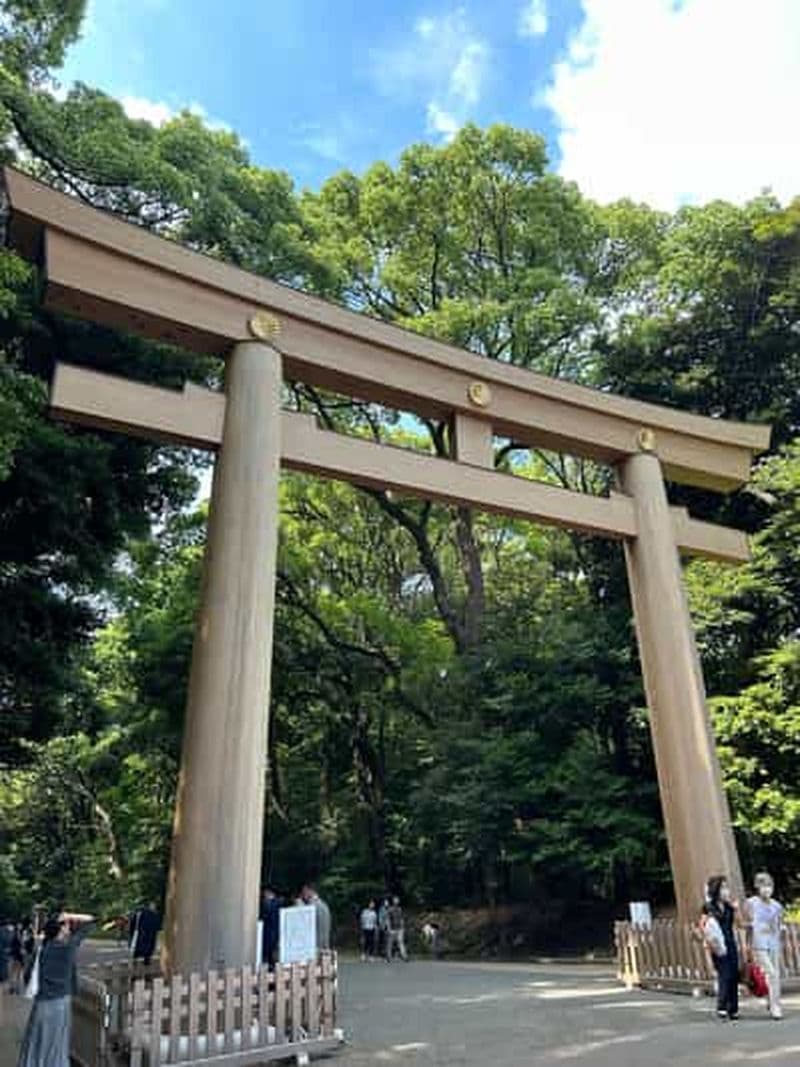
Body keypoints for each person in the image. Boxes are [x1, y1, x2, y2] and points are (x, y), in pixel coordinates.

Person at [16, 911, 95, 1067]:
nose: (69, 927)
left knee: (37, 1043)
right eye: (66, 924)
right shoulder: (68, 948)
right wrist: (70, 915)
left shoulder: (41, 950)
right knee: (56, 1044)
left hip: (41, 1004)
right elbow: (91, 921)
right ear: (60, 929)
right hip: (60, 1004)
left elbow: (27, 976)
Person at [746, 871, 784, 1020]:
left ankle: (773, 1001)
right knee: (771, 973)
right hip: (759, 943)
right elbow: (748, 925)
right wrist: (746, 944)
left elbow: (780, 925)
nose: (766, 888)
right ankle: (775, 1006)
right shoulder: (751, 903)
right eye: (763, 885)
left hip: (774, 943)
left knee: (775, 975)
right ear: (757, 887)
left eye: (769, 885)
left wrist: (782, 937)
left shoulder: (777, 906)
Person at [703, 875, 739, 1021]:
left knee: (734, 975)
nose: (726, 891)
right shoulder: (708, 907)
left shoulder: (730, 907)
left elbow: (738, 924)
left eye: (727, 887)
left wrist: (736, 910)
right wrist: (708, 946)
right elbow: (704, 927)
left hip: (730, 942)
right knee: (725, 975)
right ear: (716, 890)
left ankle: (733, 1008)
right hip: (717, 945)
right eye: (723, 887)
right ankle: (722, 1007)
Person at [129, 901, 161, 967]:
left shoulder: (138, 913)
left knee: (136, 956)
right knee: (147, 957)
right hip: (149, 939)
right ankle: (146, 974)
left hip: (139, 937)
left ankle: (134, 973)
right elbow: (157, 927)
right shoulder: (154, 915)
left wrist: (131, 934)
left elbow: (132, 925)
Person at [301, 884, 331, 952]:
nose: (303, 894)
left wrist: (299, 908)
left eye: (304, 891)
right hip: (324, 944)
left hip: (314, 947)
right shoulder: (324, 905)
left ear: (310, 891)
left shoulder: (311, 907)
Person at [259, 887, 281, 970]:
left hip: (269, 936)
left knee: (268, 958)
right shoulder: (277, 903)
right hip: (273, 935)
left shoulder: (270, 904)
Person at [385, 897, 408, 962]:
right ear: (393, 901)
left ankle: (404, 956)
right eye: (395, 900)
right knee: (390, 943)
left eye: (397, 900)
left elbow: (401, 919)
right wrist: (389, 928)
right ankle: (388, 957)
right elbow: (387, 919)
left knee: (401, 942)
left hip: (399, 929)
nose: (397, 901)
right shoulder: (390, 909)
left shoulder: (400, 909)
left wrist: (403, 927)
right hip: (392, 929)